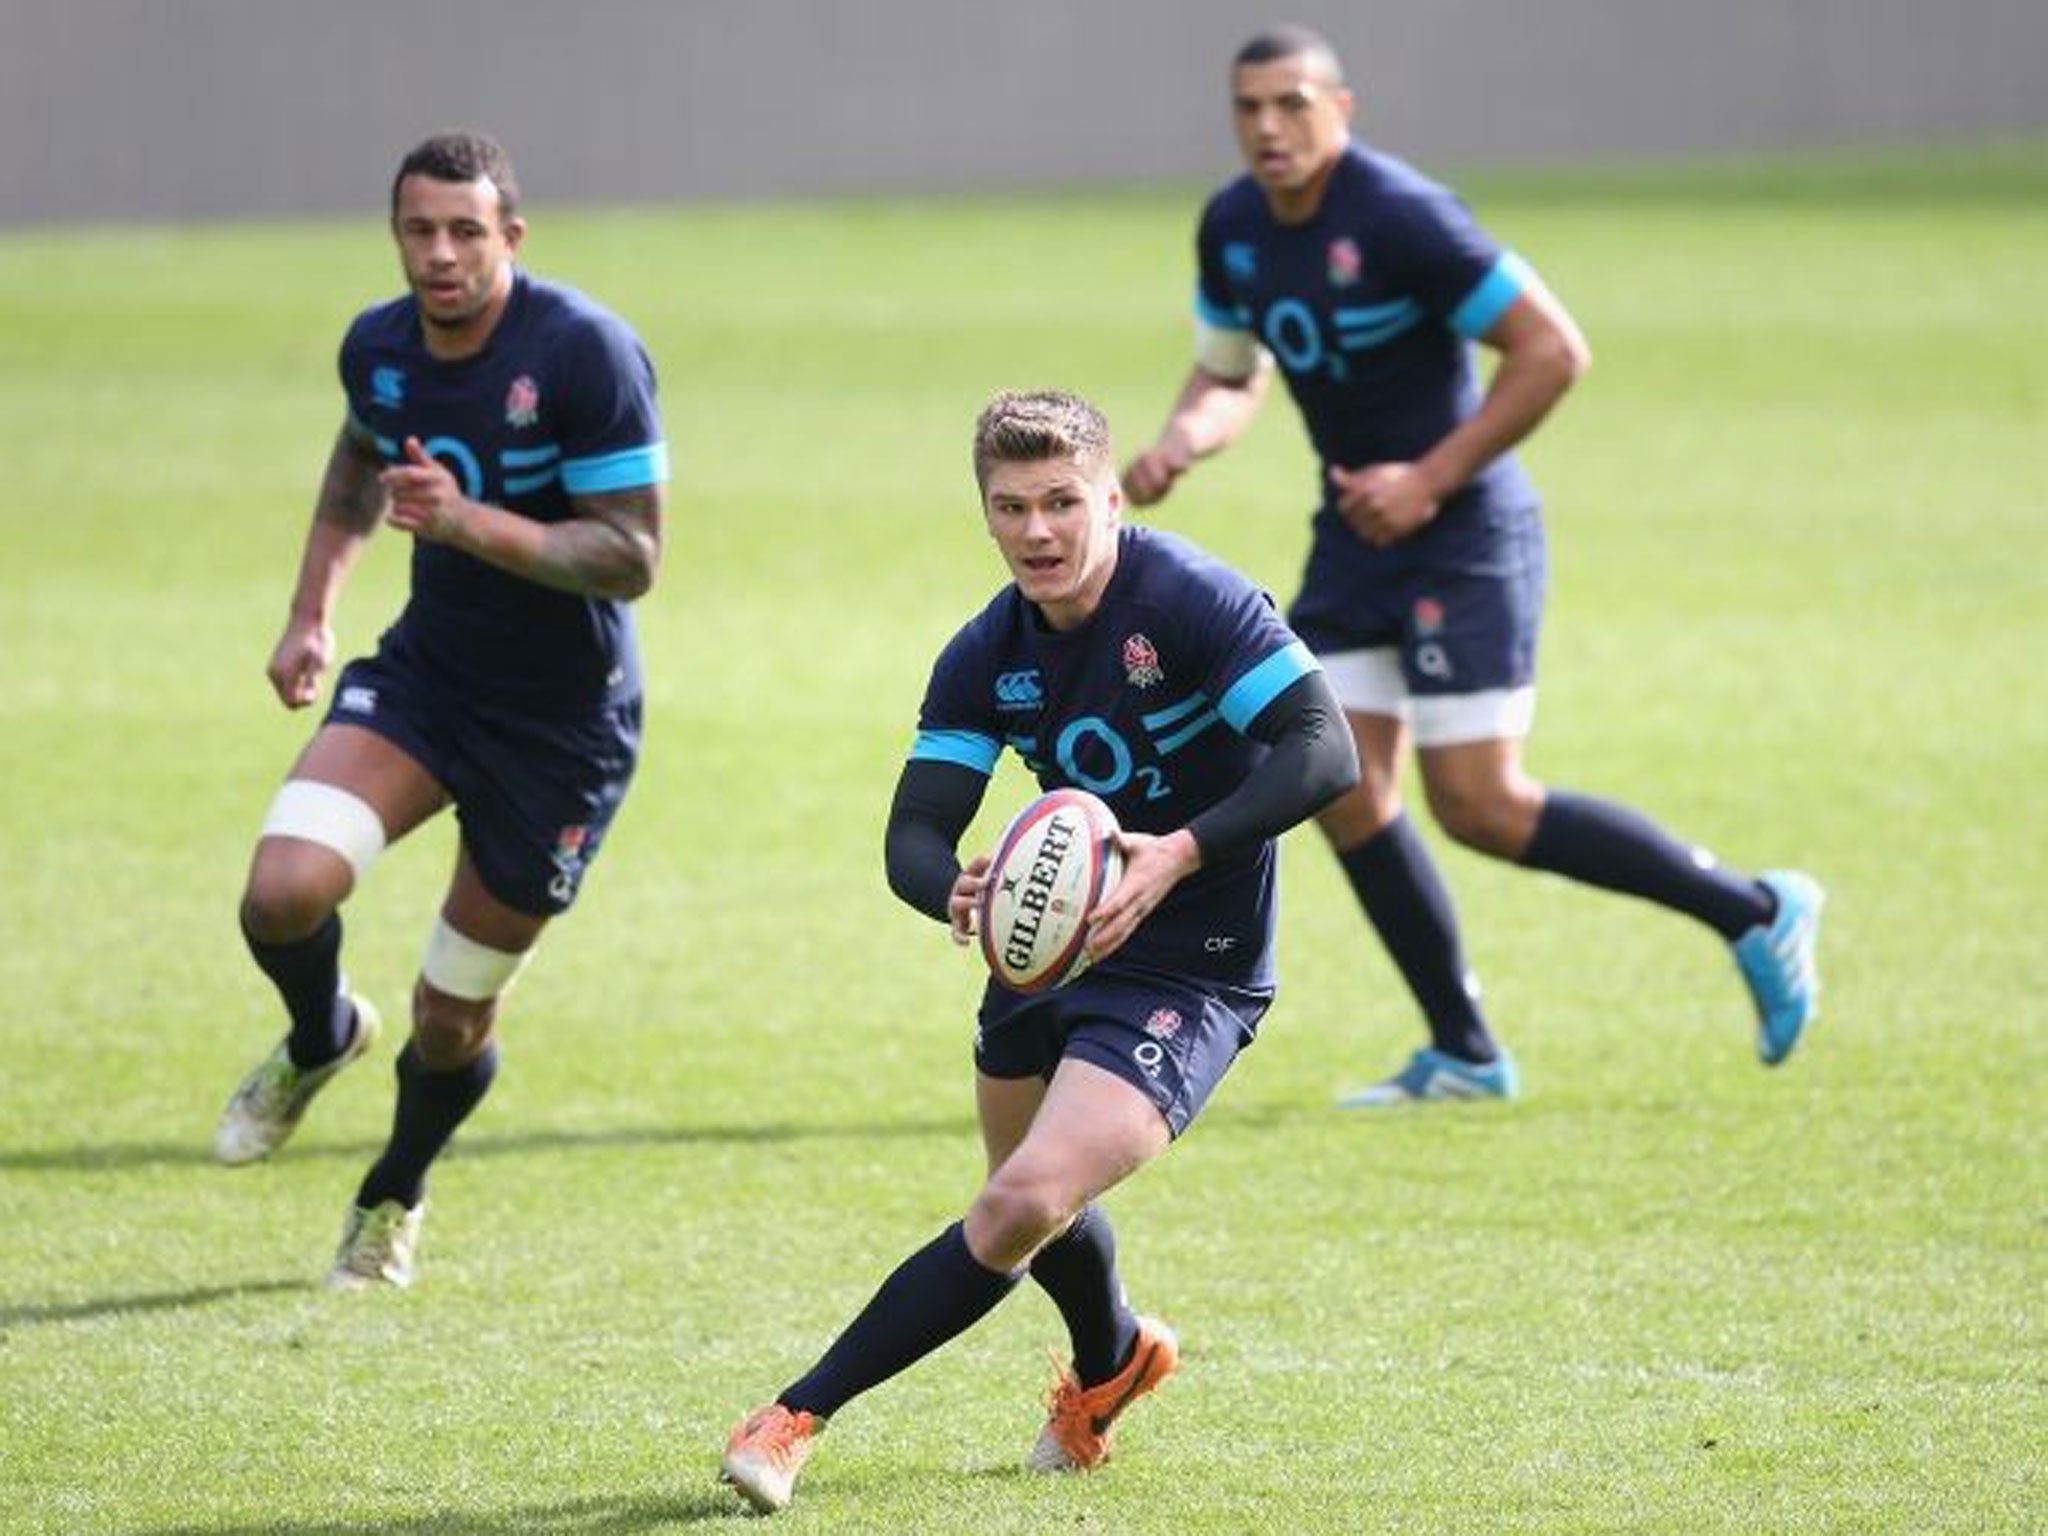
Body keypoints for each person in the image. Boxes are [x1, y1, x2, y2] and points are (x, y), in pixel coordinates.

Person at [1122, 27, 1824, 1105]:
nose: (1267, 126)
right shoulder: (1231, 226)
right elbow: (1228, 370)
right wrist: (1183, 440)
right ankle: (1463, 1050)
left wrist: (1427, 478)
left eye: (1291, 103)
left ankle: (1754, 912)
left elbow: (1551, 349)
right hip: (1353, 539)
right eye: (1247, 107)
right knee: (1336, 782)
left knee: (1481, 806)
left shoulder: (1401, 215)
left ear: (1339, 108)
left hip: (1463, 535)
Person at [718, 391, 1358, 1513]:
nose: (1038, 531)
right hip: (1043, 953)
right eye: (1010, 508)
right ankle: (1112, 1361)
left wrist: (1176, 854)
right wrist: (952, 888)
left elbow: (1323, 748)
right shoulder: (984, 653)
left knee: (1017, 1204)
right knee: (1023, 1201)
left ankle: (791, 1416)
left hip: (1190, 964)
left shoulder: (1192, 601)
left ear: (1108, 499)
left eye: (1062, 502)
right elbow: (912, 833)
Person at [212, 131, 668, 1288]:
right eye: (420, 230)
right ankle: (320, 1035)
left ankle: (392, 1191)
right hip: (429, 678)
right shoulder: (377, 345)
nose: (441, 253)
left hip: (562, 729)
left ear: (511, 236)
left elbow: (629, 556)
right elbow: (360, 460)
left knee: (451, 1015)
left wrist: (467, 524)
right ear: (396, 236)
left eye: (467, 230)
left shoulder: (584, 353)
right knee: (283, 891)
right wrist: (313, 610)